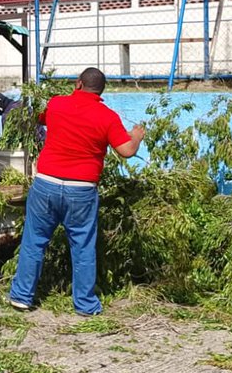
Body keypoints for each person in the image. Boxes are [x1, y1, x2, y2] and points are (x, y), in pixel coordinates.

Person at [9, 67, 145, 316]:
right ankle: (85, 305)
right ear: (101, 90)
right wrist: (136, 136)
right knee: (82, 246)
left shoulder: (58, 104)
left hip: (46, 184)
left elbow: (39, 118)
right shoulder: (108, 116)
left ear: (78, 83)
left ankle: (21, 296)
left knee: (34, 241)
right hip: (81, 190)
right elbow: (126, 151)